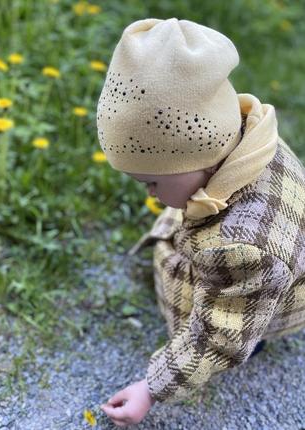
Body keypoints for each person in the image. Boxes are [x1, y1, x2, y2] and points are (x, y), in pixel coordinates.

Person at [96, 17, 305, 427]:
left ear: (198, 160)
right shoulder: (246, 140)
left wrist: (151, 388)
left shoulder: (243, 247)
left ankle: (259, 337)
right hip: (271, 264)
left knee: (230, 321)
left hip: (267, 295)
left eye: (152, 181)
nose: (149, 194)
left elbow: (217, 336)